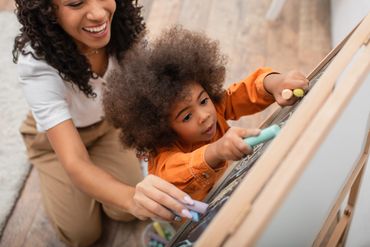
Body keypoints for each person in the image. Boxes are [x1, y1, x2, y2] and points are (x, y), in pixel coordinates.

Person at [12, 1, 195, 246]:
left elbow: (154, 96)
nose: (99, 14)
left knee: (123, 210)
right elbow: (75, 161)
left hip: (108, 125)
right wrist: (132, 198)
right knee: (82, 234)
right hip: (54, 143)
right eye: (76, 3)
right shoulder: (36, 64)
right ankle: (46, 166)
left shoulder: (125, 31)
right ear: (48, 12)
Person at [103, 26, 309, 201]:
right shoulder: (164, 154)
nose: (204, 115)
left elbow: (244, 92)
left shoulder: (215, 107)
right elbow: (169, 176)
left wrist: (274, 83)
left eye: (203, 100)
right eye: (186, 116)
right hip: (194, 212)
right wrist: (216, 151)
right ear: (163, 127)